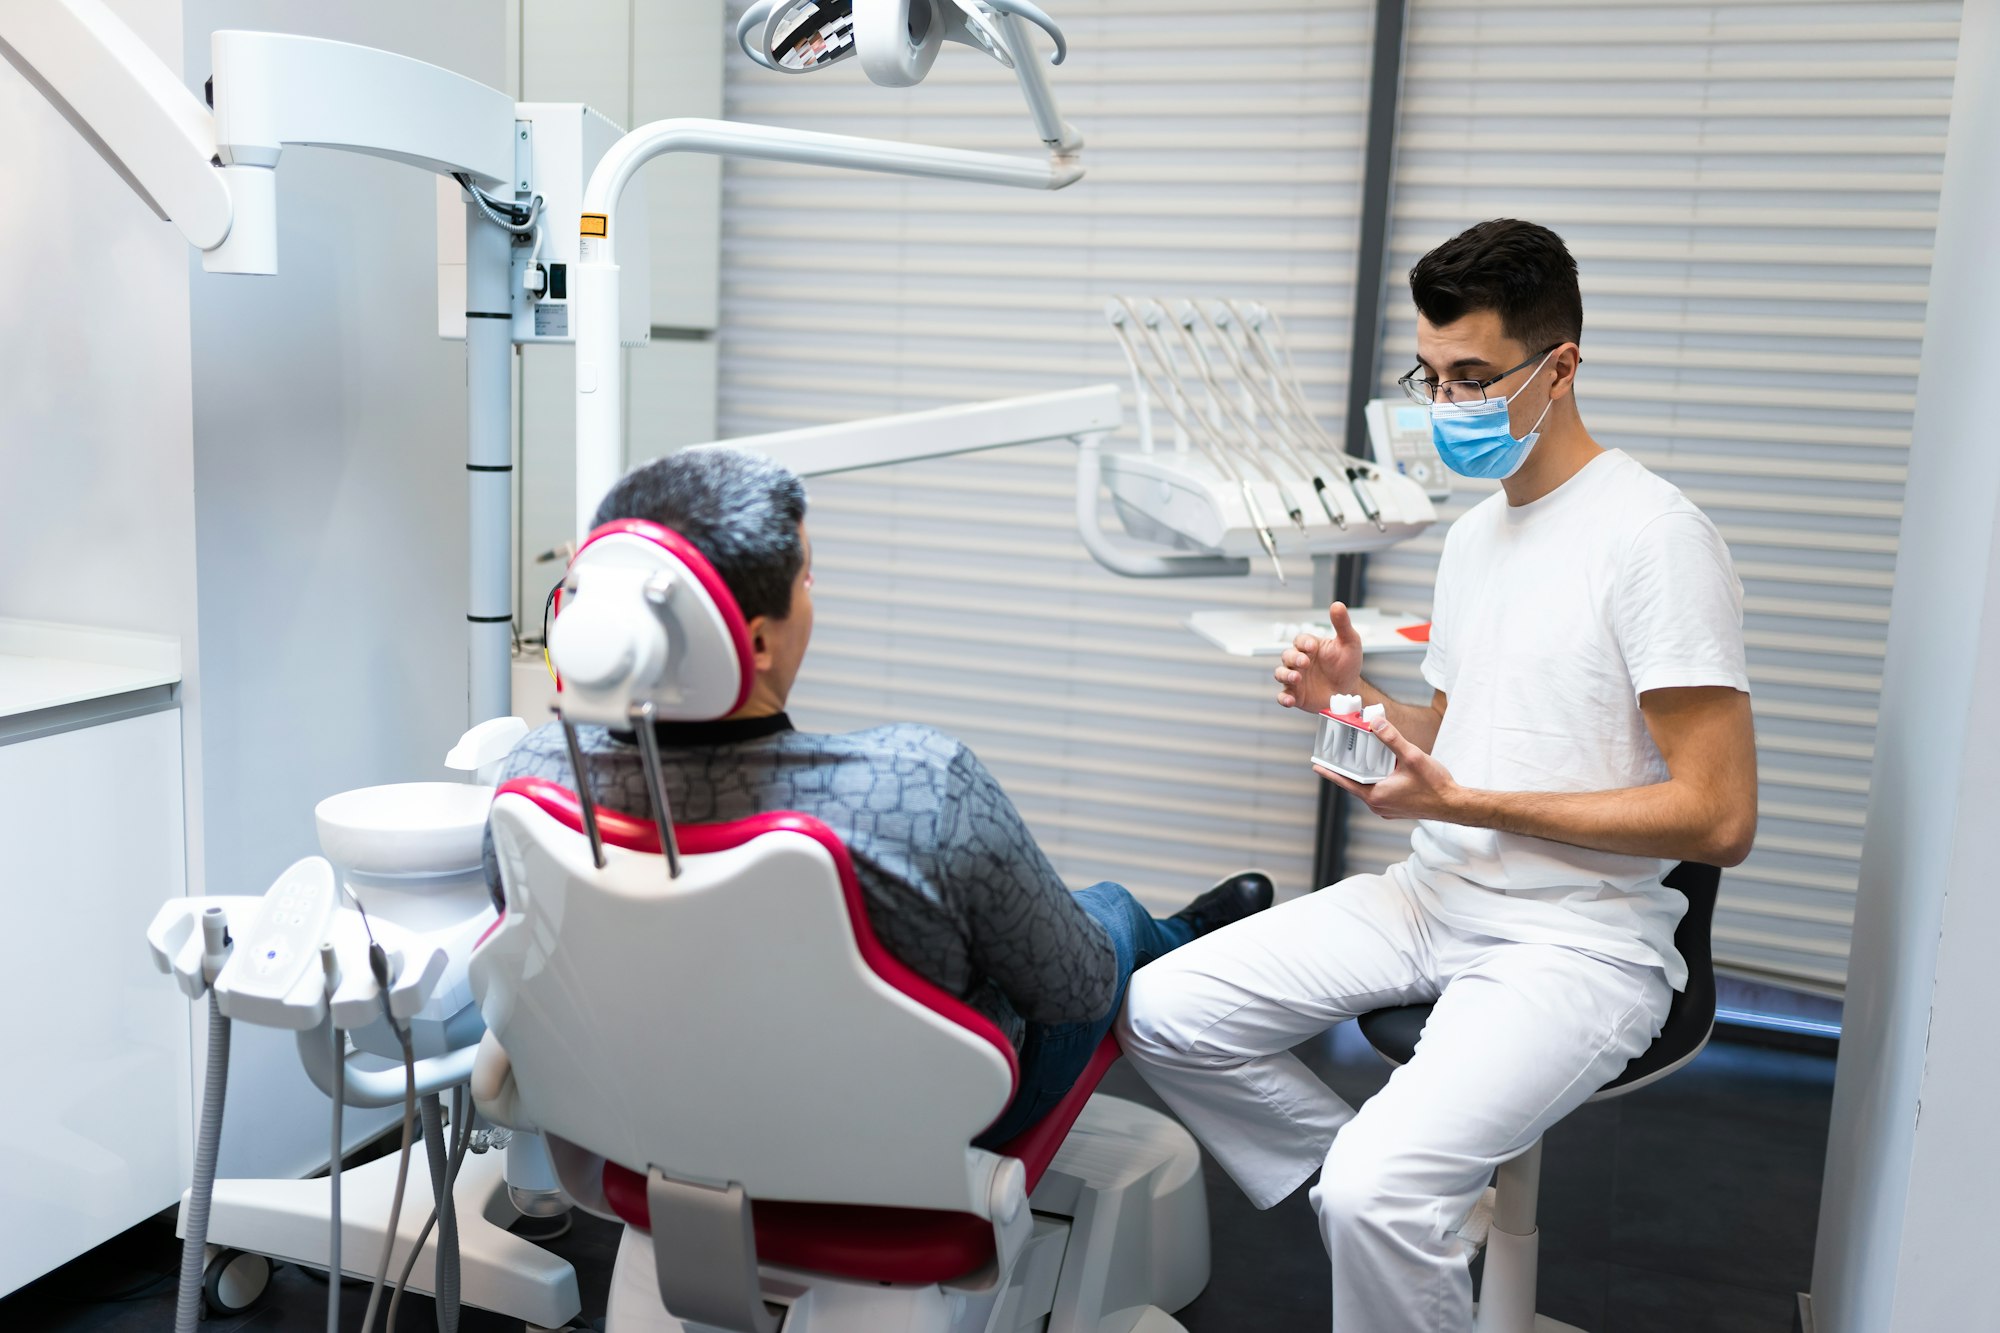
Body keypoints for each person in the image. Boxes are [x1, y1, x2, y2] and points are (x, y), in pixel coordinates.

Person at [1116, 218, 1758, 1332]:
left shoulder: (1652, 538)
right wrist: (1354, 704)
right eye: (1431, 374)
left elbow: (1717, 815)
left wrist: (1460, 801)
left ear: (1557, 367)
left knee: (1376, 1192)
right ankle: (1398, 1210)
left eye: (1472, 377)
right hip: (1433, 894)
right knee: (1163, 1008)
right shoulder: (1476, 537)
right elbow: (1468, 731)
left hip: (1579, 937)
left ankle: (1386, 1205)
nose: (1445, 404)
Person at [485, 446, 1274, 1145]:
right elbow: (1073, 994)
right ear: (756, 639)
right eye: (807, 576)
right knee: (1109, 918)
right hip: (913, 1130)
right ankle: (1179, 936)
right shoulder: (921, 788)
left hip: (651, 1107)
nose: (813, 590)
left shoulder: (533, 781)